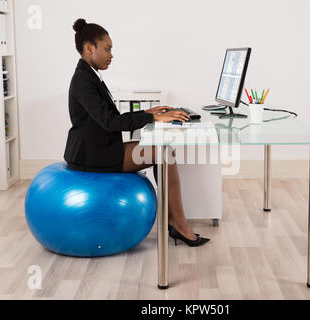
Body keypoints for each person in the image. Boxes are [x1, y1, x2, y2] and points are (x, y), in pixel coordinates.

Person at [64, 18, 209, 247]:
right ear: (90, 48)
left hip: (101, 149)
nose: (111, 55)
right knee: (164, 154)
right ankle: (179, 224)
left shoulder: (89, 75)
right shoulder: (83, 79)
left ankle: (175, 221)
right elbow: (110, 122)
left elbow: (107, 119)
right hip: (92, 155)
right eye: (107, 49)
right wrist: (152, 117)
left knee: (165, 151)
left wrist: (149, 112)